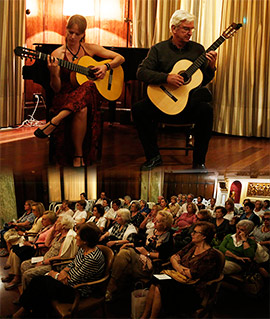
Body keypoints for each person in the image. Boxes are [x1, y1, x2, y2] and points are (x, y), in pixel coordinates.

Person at [33, 15, 124, 167]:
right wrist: (54, 72)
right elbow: (56, 89)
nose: (72, 37)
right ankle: (78, 156)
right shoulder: (57, 54)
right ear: (66, 31)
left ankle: (55, 121)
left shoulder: (90, 48)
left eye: (77, 34)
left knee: (89, 85)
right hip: (65, 96)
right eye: (70, 32)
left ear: (83, 34)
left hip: (89, 95)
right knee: (82, 108)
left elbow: (120, 58)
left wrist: (105, 67)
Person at [132, 9, 217, 171]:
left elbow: (202, 80)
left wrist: (211, 68)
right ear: (173, 28)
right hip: (163, 103)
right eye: (186, 29)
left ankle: (199, 162)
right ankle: (153, 156)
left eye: (192, 29)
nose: (190, 33)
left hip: (187, 104)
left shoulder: (198, 50)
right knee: (138, 109)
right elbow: (141, 72)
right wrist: (166, 78)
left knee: (206, 109)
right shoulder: (159, 49)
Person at [13, 223, 105, 318]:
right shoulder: (84, 249)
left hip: (78, 291)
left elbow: (73, 280)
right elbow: (73, 263)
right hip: (69, 282)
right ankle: (31, 312)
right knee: (40, 285)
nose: (75, 237)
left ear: (85, 241)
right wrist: (64, 271)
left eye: (78, 235)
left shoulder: (92, 258)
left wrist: (54, 274)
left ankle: (24, 311)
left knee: (40, 281)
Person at [141, 221, 220, 318]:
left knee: (159, 287)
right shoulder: (192, 245)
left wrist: (177, 265)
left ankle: (152, 317)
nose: (192, 234)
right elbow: (173, 257)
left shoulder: (211, 255)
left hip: (192, 287)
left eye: (195, 232)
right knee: (155, 280)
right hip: (178, 278)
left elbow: (191, 274)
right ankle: (145, 316)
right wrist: (180, 267)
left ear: (204, 236)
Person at [105, 211, 174, 301]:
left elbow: (164, 255)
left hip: (150, 265)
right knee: (124, 261)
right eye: (155, 220)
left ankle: (111, 285)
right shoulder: (153, 232)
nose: (154, 222)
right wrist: (131, 244)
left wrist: (147, 253)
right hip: (140, 257)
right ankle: (117, 295)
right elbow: (141, 243)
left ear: (165, 225)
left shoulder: (168, 237)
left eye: (157, 221)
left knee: (125, 254)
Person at [2, 211, 57, 290]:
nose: (41, 221)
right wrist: (32, 242)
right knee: (14, 249)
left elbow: (47, 244)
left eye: (44, 219)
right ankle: (12, 273)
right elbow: (38, 238)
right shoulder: (45, 227)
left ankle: (16, 277)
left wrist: (32, 244)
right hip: (34, 245)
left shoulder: (52, 230)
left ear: (50, 221)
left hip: (38, 250)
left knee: (16, 253)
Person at [20, 214, 78, 290]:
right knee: (24, 264)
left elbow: (61, 256)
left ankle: (30, 296)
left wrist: (43, 262)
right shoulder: (59, 235)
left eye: (57, 222)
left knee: (27, 274)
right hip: (45, 258)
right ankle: (32, 289)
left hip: (53, 264)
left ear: (63, 226)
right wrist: (53, 230)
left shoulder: (68, 238)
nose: (55, 224)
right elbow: (47, 244)